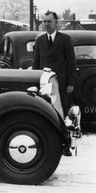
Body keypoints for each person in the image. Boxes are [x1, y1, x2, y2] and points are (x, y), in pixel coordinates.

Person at [32, 11, 77, 156]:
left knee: (62, 114)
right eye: (44, 22)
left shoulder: (65, 39)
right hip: (44, 84)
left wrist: (70, 84)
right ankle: (47, 145)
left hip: (61, 84)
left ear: (56, 22)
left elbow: (71, 63)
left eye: (49, 21)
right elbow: (36, 63)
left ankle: (66, 146)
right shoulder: (39, 40)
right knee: (45, 114)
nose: (46, 24)